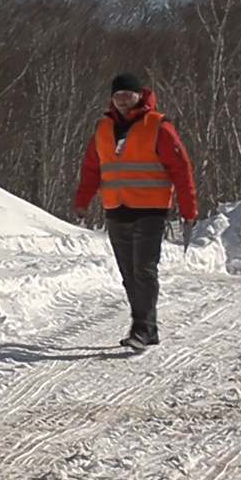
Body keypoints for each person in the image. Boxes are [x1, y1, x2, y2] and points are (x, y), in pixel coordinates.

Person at [72, 72, 200, 351]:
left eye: (126, 95)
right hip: (117, 209)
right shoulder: (103, 127)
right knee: (128, 273)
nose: (121, 100)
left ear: (139, 95)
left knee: (143, 269)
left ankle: (141, 328)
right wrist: (82, 200)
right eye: (116, 95)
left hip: (150, 209)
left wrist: (189, 209)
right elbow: (92, 167)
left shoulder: (158, 126)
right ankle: (147, 327)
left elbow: (182, 169)